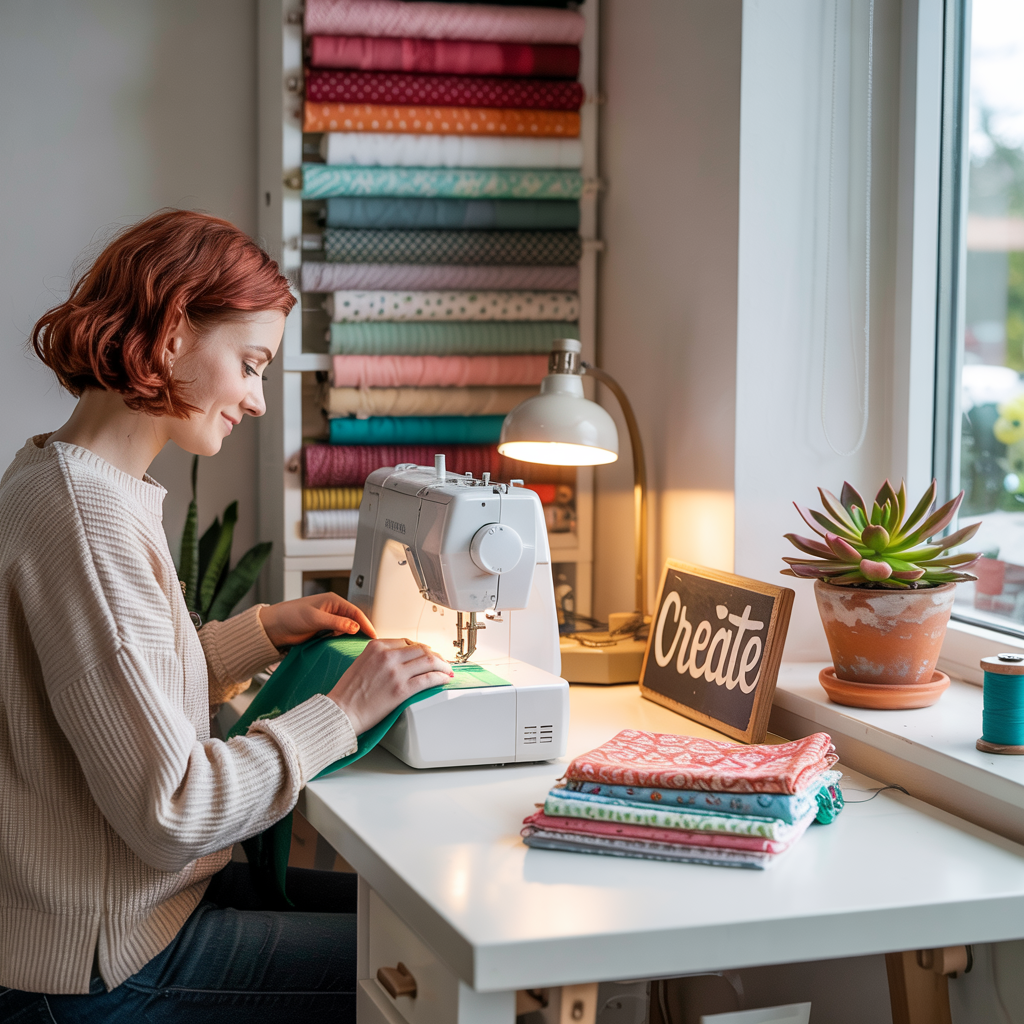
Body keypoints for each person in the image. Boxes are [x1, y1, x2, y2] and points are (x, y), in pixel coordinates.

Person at [0, 210, 453, 1023]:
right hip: (106, 960)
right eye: (251, 364)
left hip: (120, 909)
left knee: (423, 918)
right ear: (173, 330)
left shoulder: (57, 476)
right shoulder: (89, 519)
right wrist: (340, 714)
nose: (254, 400)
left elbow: (107, 691)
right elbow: (175, 811)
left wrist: (261, 632)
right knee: (439, 970)